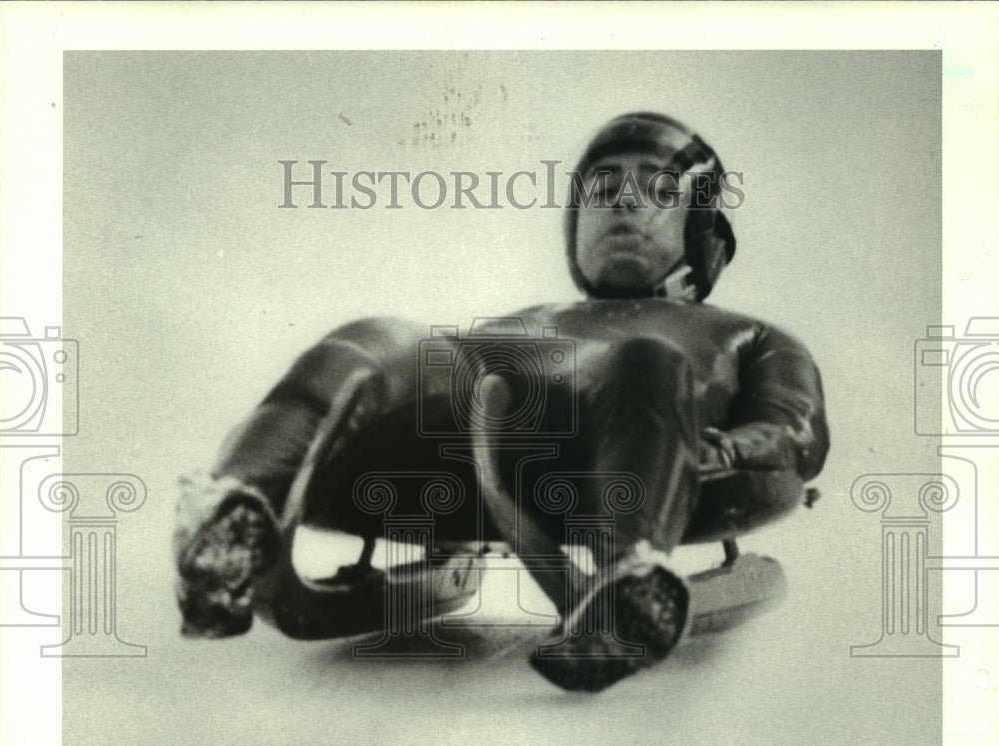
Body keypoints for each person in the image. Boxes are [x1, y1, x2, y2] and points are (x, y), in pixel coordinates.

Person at [173, 112, 829, 692]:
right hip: (466, 448)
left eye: (658, 190)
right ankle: (233, 513)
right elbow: (437, 373)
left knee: (649, 358)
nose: (624, 203)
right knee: (375, 337)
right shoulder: (529, 319)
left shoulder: (745, 335)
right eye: (602, 190)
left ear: (702, 230)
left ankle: (629, 579)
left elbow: (795, 430)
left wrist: (725, 452)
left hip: (626, 458)